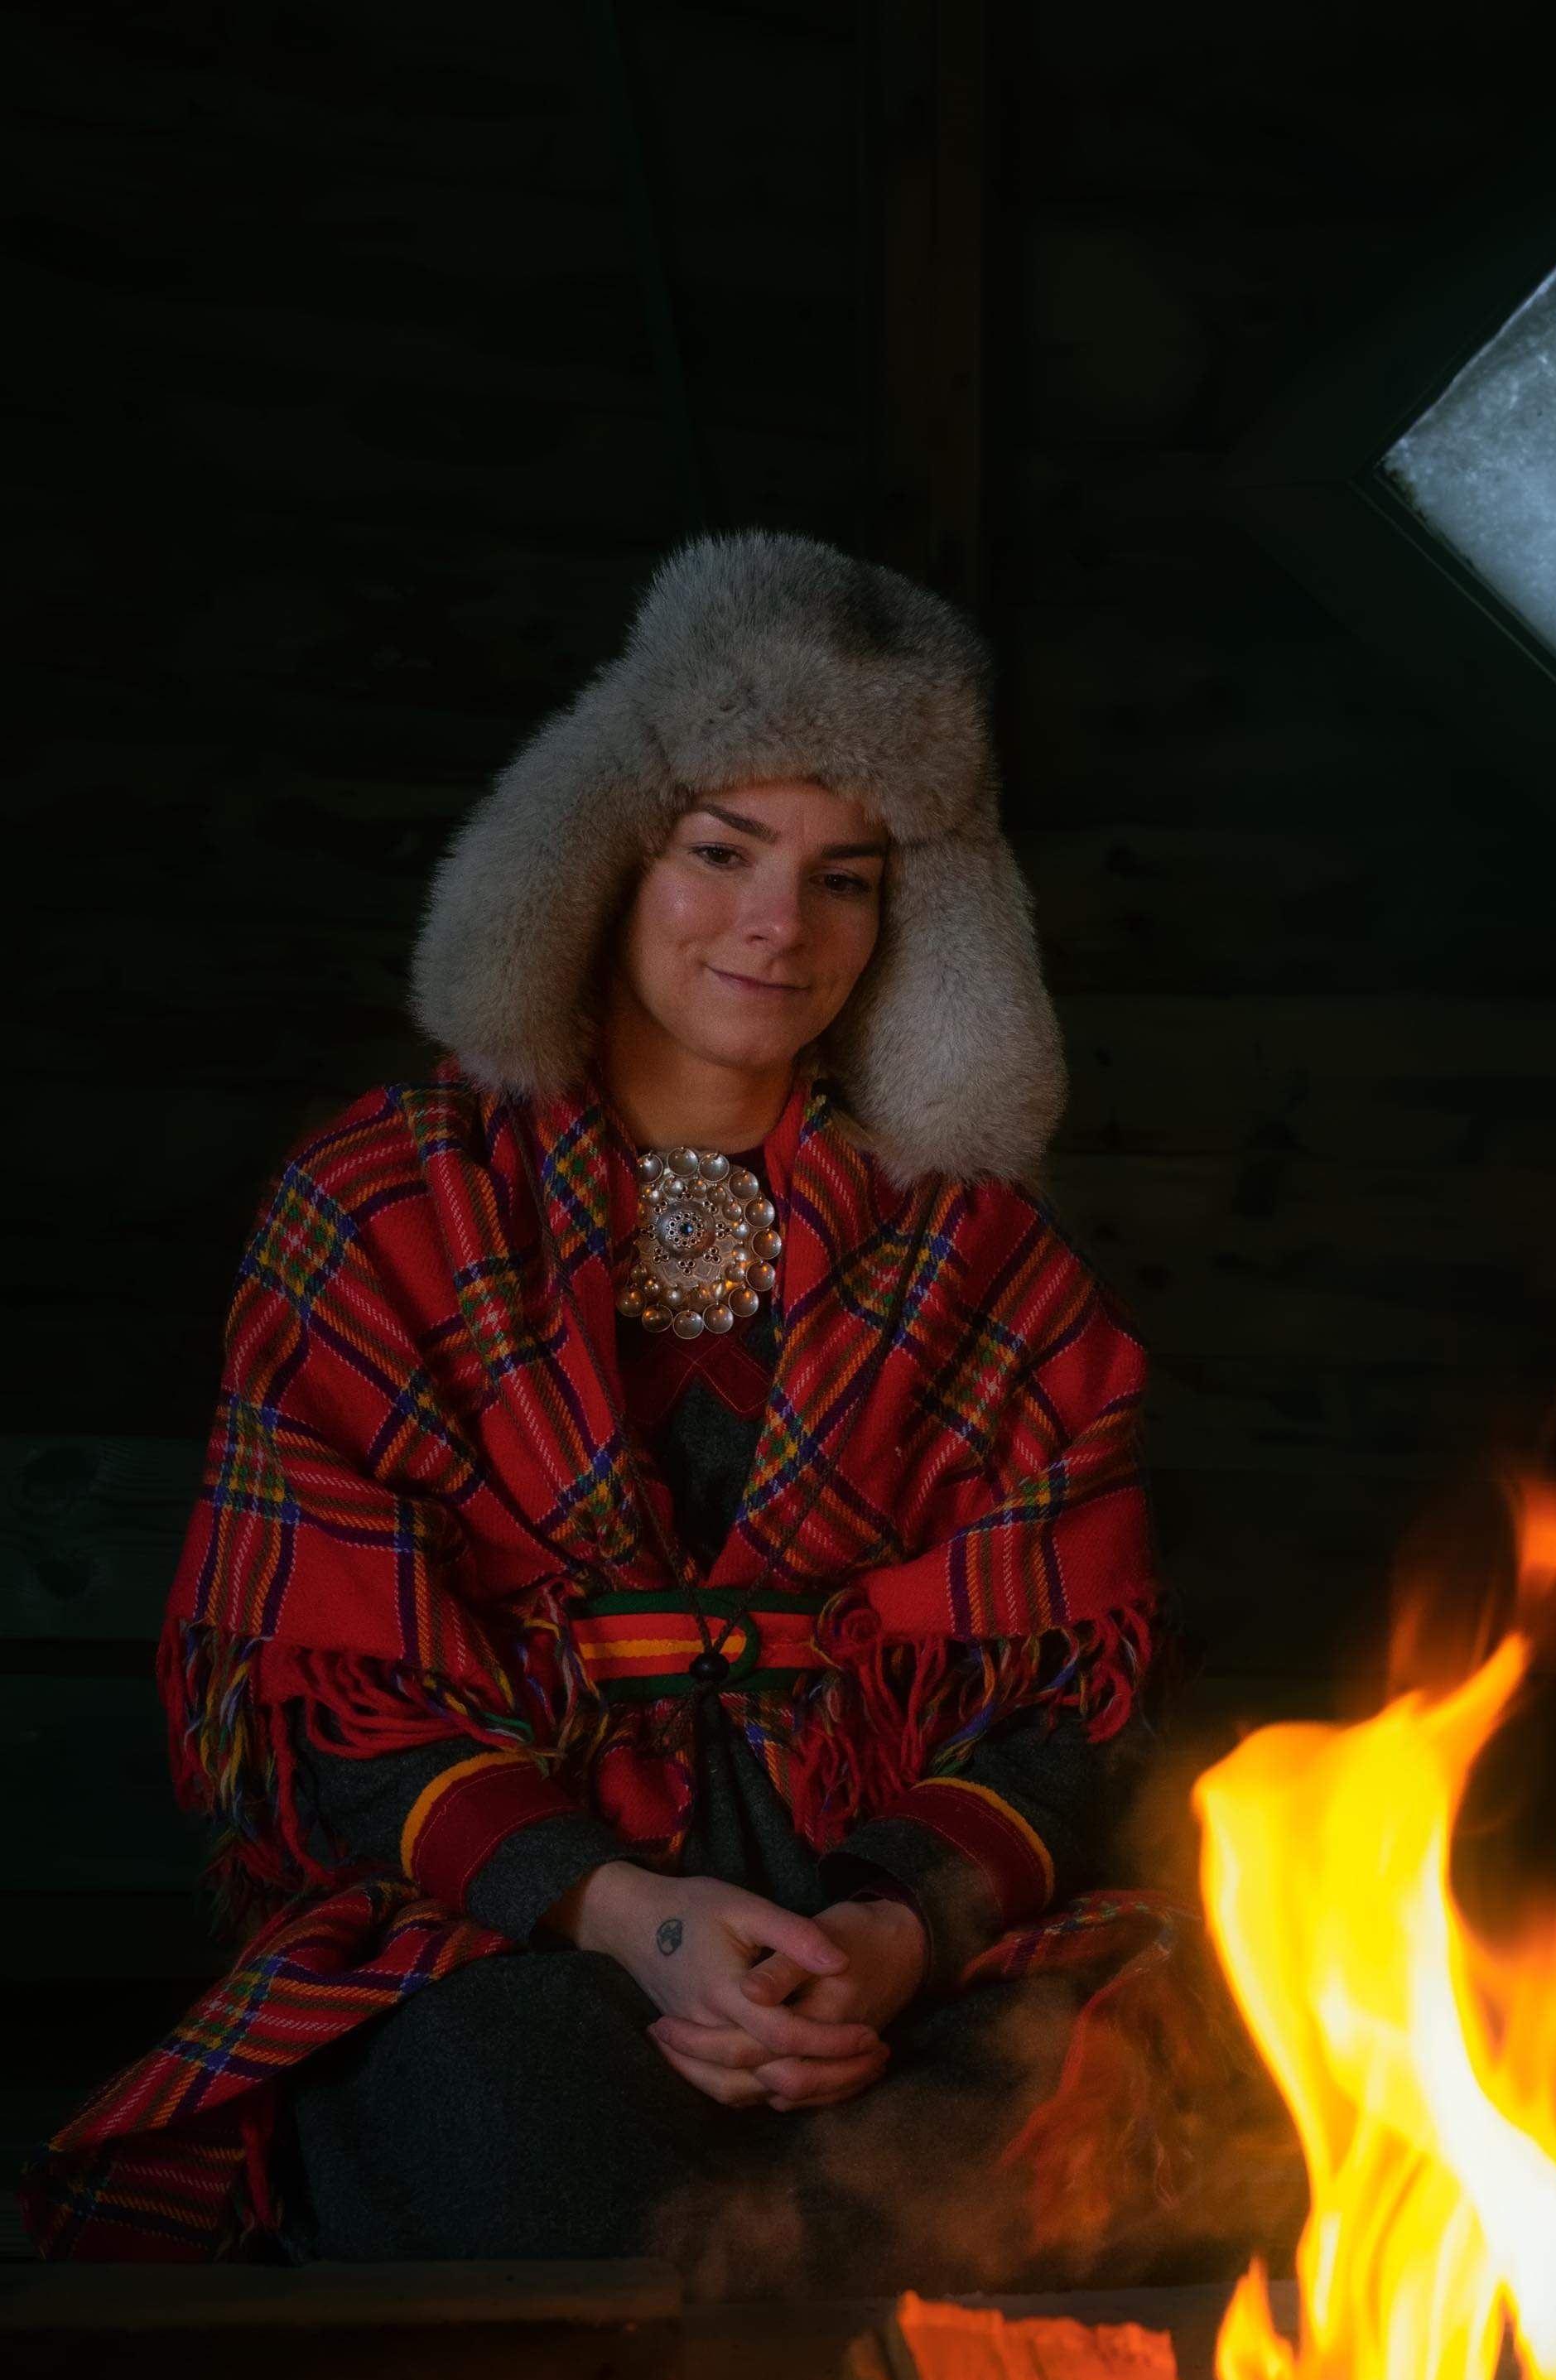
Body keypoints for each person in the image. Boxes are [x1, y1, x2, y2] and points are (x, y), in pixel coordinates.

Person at [22, 532, 1173, 2290]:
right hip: (518, 1925)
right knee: (518, 2137)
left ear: (909, 926)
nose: (778, 925)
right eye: (722, 850)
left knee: (1126, 2117)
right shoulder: (384, 1204)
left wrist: (885, 1936)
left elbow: (1066, 1704)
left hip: (884, 1935)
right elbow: (324, 1695)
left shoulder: (986, 1257)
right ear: (604, 856)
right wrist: (633, 1918)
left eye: (845, 878)